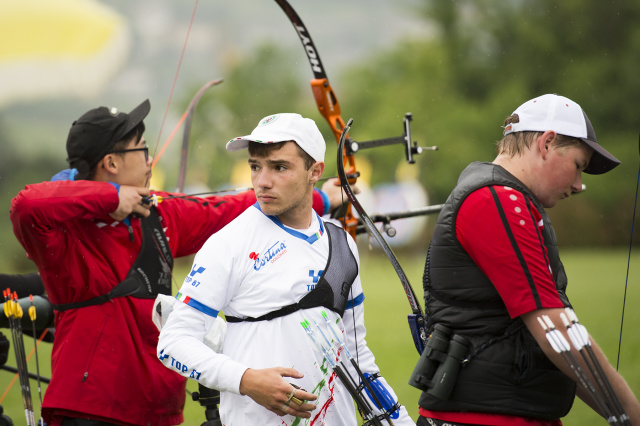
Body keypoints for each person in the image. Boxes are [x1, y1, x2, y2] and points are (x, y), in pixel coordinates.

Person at [9, 100, 344, 426]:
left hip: (159, 408)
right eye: (141, 149)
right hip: (92, 409)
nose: (150, 157)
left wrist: (323, 197)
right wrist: (112, 196)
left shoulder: (157, 213)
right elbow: (25, 205)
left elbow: (232, 207)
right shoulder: (63, 232)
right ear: (111, 163)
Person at [157, 113, 415, 425]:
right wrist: (247, 380)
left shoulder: (342, 244)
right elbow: (173, 344)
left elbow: (357, 357)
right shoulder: (228, 244)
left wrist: (400, 421)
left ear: (314, 171)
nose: (262, 181)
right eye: (255, 166)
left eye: (279, 167)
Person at [412, 93, 640, 426]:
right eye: (579, 166)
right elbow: (555, 329)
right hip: (484, 420)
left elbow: (555, 337)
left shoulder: (502, 197)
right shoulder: (496, 200)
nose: (579, 185)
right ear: (547, 143)